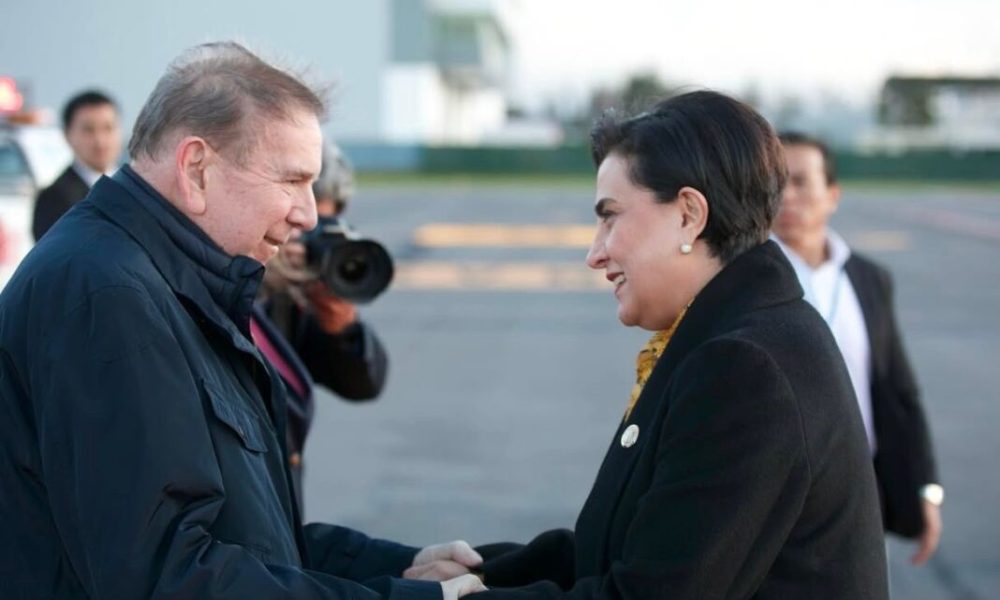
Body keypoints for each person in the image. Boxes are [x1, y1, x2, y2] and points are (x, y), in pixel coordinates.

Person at [0, 41, 484, 600]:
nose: (307, 214)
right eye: (292, 180)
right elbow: (167, 575)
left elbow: (246, 538)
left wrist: (400, 567)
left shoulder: (169, 279)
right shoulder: (110, 297)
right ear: (197, 169)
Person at [407, 92, 889, 599]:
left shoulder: (744, 368)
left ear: (688, 215)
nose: (596, 253)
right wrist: (487, 571)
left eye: (610, 216)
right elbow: (633, 544)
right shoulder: (733, 335)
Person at [772, 131, 942, 564]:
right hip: (771, 494)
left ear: (832, 195)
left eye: (799, 181)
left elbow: (899, 390)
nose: (786, 196)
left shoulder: (869, 279)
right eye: (774, 183)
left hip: (857, 492)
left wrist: (924, 487)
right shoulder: (737, 280)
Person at [252, 142, 389, 504]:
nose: (306, 229)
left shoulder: (298, 292)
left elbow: (363, 385)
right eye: (299, 221)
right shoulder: (243, 277)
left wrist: (341, 321)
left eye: (324, 225)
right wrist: (260, 275)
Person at [32, 89, 122, 240]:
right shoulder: (53, 198)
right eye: (88, 130)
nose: (100, 140)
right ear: (67, 135)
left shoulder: (135, 187)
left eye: (108, 128)